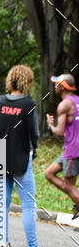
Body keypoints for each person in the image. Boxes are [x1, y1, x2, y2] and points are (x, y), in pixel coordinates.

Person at [0, 65, 55, 247]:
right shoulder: (28, 105)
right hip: (21, 158)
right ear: (28, 81)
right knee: (28, 206)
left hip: (0, 155)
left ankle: (2, 244)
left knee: (2, 203)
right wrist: (34, 148)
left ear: (11, 80)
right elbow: (34, 133)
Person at [45, 73, 79, 220]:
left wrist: (51, 125)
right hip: (71, 149)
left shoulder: (64, 104)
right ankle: (76, 202)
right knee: (49, 173)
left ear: (63, 86)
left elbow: (59, 132)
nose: (55, 85)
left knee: (70, 186)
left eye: (57, 83)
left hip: (73, 149)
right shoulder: (77, 100)